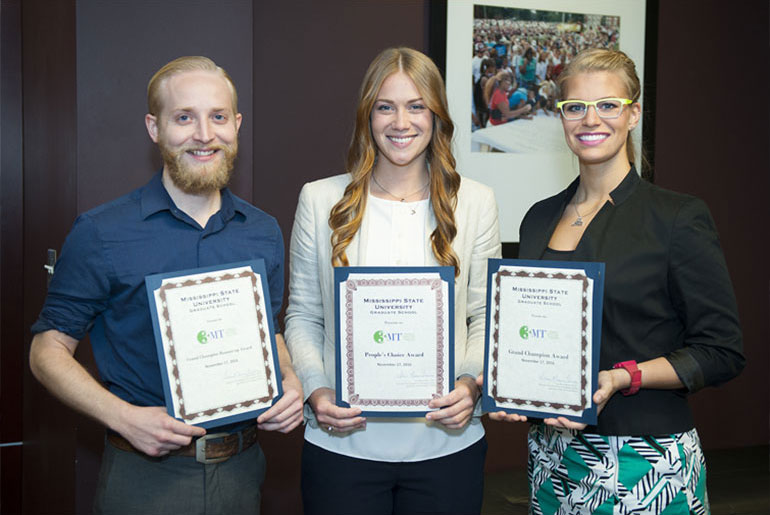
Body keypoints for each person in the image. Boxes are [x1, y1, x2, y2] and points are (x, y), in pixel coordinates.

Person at [29, 56, 304, 514]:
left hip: (243, 471)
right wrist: (123, 417)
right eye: (184, 118)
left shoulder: (263, 231)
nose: (203, 133)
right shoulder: (101, 232)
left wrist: (290, 379)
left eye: (218, 117)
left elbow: (270, 332)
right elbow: (47, 351)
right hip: (143, 476)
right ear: (154, 128)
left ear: (236, 125)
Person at [486, 48, 744, 514]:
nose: (591, 119)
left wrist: (621, 377)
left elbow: (721, 351)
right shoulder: (538, 218)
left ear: (634, 113)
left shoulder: (677, 217)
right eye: (575, 107)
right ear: (561, 116)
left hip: (646, 462)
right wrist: (509, 386)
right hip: (552, 457)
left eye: (608, 104)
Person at [285, 47, 501, 515]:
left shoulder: (476, 202)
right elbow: (303, 315)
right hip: (341, 446)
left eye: (416, 105)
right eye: (386, 106)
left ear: (437, 114)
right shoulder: (321, 200)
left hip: (447, 447)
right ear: (368, 115)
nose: (400, 122)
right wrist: (318, 389)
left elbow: (486, 315)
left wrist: (470, 385)